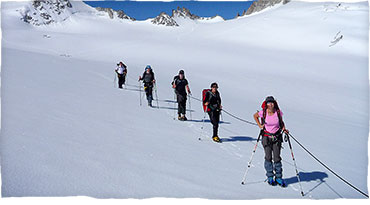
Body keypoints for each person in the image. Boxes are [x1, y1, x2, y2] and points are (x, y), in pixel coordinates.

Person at [253, 96, 289, 187]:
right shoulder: (263, 112)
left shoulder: (278, 112)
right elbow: (255, 116)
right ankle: (270, 176)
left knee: (277, 158)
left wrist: (284, 129)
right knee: (268, 157)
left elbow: (281, 122)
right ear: (266, 104)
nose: (271, 104)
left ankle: (278, 177)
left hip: (277, 137)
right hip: (266, 137)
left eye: (272, 102)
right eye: (269, 103)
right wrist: (260, 125)